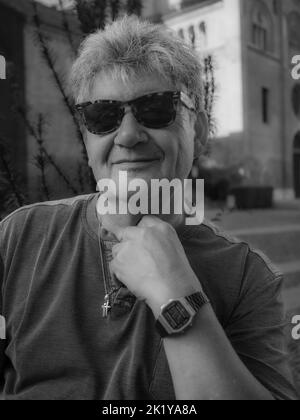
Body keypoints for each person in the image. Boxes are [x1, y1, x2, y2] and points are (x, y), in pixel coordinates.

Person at [0, 16, 297, 400]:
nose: (126, 135)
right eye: (102, 115)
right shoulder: (18, 238)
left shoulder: (245, 278)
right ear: (87, 137)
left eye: (156, 108)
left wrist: (176, 293)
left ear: (200, 131)